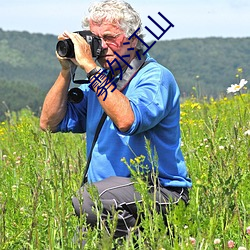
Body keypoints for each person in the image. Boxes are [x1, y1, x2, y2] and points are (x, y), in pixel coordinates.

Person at [40, 0, 192, 244]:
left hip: (160, 192)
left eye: (110, 37)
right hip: (109, 199)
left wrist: (90, 67)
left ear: (134, 39)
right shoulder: (99, 83)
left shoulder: (154, 77)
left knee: (88, 199)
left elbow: (127, 120)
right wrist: (66, 70)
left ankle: (146, 241)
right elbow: (49, 123)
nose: (101, 47)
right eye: (95, 38)